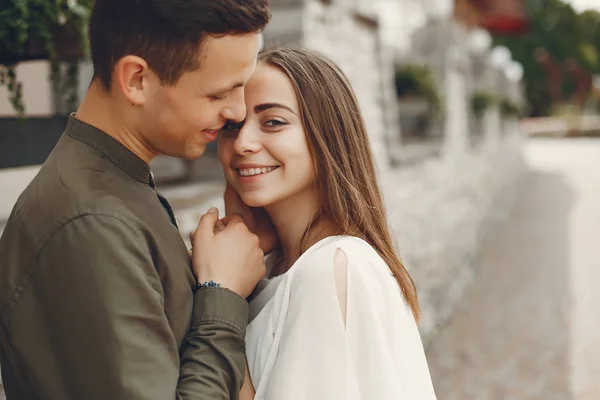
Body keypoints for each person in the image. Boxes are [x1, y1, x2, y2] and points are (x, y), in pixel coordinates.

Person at [0, 0, 270, 399]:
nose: (237, 110)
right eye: (218, 94)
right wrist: (222, 293)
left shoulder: (117, 186)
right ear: (137, 79)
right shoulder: (91, 223)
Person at [218, 47, 438, 399]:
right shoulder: (279, 270)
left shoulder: (333, 267)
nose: (242, 143)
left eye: (273, 122)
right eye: (231, 126)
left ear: (327, 137)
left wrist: (220, 298)